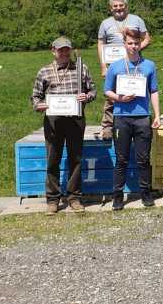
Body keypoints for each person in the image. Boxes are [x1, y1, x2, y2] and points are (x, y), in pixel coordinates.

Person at [30, 36, 96, 215]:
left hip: (75, 119)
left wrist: (87, 96)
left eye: (67, 49)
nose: (65, 53)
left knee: (76, 159)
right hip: (53, 120)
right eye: (61, 50)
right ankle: (53, 199)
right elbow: (35, 97)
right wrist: (39, 105)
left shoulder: (81, 68)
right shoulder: (44, 71)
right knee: (53, 159)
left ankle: (74, 197)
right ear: (53, 51)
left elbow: (93, 90)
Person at [104, 28, 161, 210]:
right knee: (121, 159)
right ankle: (117, 196)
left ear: (140, 44)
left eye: (136, 43)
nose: (133, 46)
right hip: (121, 117)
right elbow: (107, 91)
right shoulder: (115, 66)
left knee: (143, 159)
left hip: (142, 117)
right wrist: (119, 98)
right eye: (130, 43)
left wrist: (157, 115)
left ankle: (145, 193)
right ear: (124, 44)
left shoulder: (149, 65)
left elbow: (154, 91)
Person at [96, 0, 151, 140]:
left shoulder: (136, 20)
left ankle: (136, 123)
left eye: (121, 5)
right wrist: (103, 66)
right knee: (111, 96)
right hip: (113, 65)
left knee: (134, 91)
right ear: (110, 8)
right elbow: (101, 44)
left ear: (126, 6)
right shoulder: (105, 23)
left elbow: (147, 38)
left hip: (133, 63)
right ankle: (107, 126)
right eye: (115, 6)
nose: (118, 8)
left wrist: (135, 49)